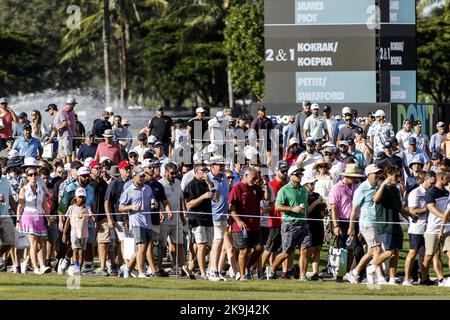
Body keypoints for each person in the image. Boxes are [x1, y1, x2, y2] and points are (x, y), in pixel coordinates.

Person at [267, 165, 310, 281]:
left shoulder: (303, 190)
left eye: (301, 174)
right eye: (297, 174)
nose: (300, 176)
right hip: (290, 225)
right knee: (287, 252)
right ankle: (271, 269)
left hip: (303, 224)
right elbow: (277, 206)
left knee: (305, 249)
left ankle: (303, 276)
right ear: (291, 175)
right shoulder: (284, 190)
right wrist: (292, 209)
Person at [229, 167, 269, 280]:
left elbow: (266, 197)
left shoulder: (255, 188)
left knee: (259, 248)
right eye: (253, 177)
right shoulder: (237, 188)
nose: (255, 179)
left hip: (254, 225)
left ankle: (247, 267)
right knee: (244, 250)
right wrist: (238, 220)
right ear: (245, 175)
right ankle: (242, 275)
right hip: (241, 226)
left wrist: (265, 185)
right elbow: (231, 207)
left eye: (256, 177)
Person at [373, 165, 410, 285]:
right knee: (388, 252)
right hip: (384, 225)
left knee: (395, 252)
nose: (398, 178)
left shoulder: (395, 190)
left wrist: (411, 216)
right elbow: (376, 199)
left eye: (399, 176)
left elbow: (399, 207)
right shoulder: (381, 187)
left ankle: (392, 278)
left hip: (395, 224)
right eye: (396, 176)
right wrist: (383, 184)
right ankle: (372, 266)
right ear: (389, 175)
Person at [347, 164, 383, 284]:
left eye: (379, 173)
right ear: (368, 175)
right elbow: (354, 209)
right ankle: (378, 276)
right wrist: (352, 227)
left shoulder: (379, 186)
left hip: (377, 222)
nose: (378, 175)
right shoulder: (362, 188)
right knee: (377, 248)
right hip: (366, 222)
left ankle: (355, 272)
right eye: (375, 173)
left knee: (371, 251)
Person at [329, 164, 365, 275]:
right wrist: (336, 225)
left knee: (358, 249)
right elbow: (333, 208)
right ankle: (340, 273)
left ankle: (357, 273)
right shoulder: (336, 188)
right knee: (342, 249)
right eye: (353, 177)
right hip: (341, 220)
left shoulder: (357, 187)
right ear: (347, 176)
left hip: (355, 220)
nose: (355, 179)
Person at [119, 166, 155, 278]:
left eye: (144, 176)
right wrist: (131, 207)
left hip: (147, 221)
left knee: (144, 249)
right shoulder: (129, 190)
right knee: (142, 247)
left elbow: (152, 200)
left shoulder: (148, 188)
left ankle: (127, 267)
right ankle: (140, 272)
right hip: (136, 221)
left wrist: (155, 204)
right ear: (134, 177)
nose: (143, 178)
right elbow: (120, 207)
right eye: (140, 176)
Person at [183, 163, 216, 280]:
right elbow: (189, 204)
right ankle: (203, 273)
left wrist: (209, 184)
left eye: (206, 170)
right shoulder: (191, 185)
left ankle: (191, 265)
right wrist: (203, 196)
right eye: (203, 170)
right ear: (196, 172)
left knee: (209, 247)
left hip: (208, 218)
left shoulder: (208, 183)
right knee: (201, 246)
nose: (205, 172)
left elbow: (215, 198)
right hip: (196, 218)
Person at [17, 165, 51, 274]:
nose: (33, 177)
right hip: (28, 216)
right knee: (33, 242)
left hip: (39, 216)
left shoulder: (40, 188)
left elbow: (44, 204)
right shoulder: (24, 189)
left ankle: (41, 265)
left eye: (35, 174)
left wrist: (48, 217)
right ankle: (36, 267)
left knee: (41, 242)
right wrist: (18, 221)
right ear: (27, 177)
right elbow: (20, 206)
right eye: (30, 175)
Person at [404, 171, 436, 285]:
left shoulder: (432, 193)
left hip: (428, 228)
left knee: (425, 254)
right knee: (413, 252)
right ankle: (406, 278)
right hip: (417, 227)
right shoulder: (415, 193)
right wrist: (429, 208)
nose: (432, 185)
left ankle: (423, 278)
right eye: (431, 183)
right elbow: (413, 210)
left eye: (434, 183)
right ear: (425, 180)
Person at [260, 161, 289, 278]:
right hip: (274, 220)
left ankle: (272, 271)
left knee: (278, 249)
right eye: (282, 171)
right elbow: (272, 203)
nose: (285, 173)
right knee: (269, 248)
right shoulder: (271, 184)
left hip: (283, 220)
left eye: (286, 171)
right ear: (277, 171)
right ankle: (260, 270)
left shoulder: (286, 184)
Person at [423, 169, 450, 286]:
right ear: (441, 178)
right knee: (430, 255)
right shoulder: (431, 192)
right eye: (448, 178)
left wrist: (446, 221)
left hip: (447, 228)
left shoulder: (447, 192)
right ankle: (424, 278)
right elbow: (431, 208)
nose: (449, 180)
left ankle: (444, 279)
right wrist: (445, 217)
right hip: (433, 229)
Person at [159, 162, 186, 275]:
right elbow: (158, 201)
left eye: (176, 172)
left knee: (178, 243)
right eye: (172, 173)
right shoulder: (160, 184)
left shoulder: (178, 183)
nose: (174, 175)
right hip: (163, 220)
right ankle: (158, 267)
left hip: (176, 219)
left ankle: (179, 266)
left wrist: (182, 215)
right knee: (162, 245)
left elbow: (180, 200)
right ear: (165, 171)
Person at [206, 156, 229, 281]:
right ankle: (212, 270)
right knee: (217, 241)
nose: (222, 167)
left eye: (223, 165)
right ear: (212, 166)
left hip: (223, 215)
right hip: (213, 215)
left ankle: (215, 270)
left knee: (220, 244)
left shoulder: (224, 178)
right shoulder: (208, 178)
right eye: (219, 165)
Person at [62, 187, 93, 275]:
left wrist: (93, 216)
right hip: (74, 233)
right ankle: (75, 267)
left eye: (83, 197)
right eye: (79, 197)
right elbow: (67, 222)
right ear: (75, 197)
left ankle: (79, 268)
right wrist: (64, 233)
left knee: (81, 252)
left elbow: (92, 216)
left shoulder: (87, 208)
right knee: (75, 250)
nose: (81, 199)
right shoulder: (71, 208)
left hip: (84, 233)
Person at [302, 175, 326, 280]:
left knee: (318, 248)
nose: (313, 185)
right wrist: (316, 202)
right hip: (309, 224)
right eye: (311, 183)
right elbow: (306, 212)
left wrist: (325, 210)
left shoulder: (317, 195)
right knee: (309, 249)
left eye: (314, 183)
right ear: (306, 185)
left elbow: (321, 213)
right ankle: (302, 271)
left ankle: (315, 273)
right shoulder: (304, 195)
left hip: (318, 224)